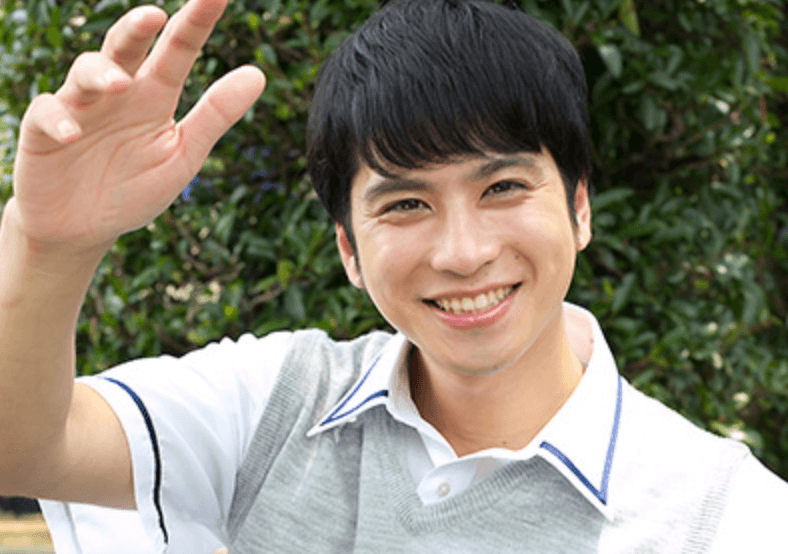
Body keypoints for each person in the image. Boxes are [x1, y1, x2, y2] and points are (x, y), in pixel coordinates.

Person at [0, 0, 786, 552]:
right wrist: (52, 248)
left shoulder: (732, 519)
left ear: (579, 207)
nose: (463, 252)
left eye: (503, 187)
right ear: (348, 248)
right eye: (407, 203)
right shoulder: (274, 405)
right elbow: (26, 448)